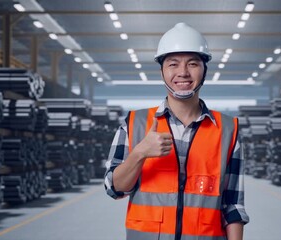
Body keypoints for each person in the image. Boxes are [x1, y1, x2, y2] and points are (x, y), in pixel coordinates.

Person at [104, 22, 249, 240]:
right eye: (173, 64)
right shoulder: (135, 123)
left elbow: (233, 205)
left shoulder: (228, 129)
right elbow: (115, 189)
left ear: (204, 69)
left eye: (192, 64)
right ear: (162, 70)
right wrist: (140, 153)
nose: (183, 72)